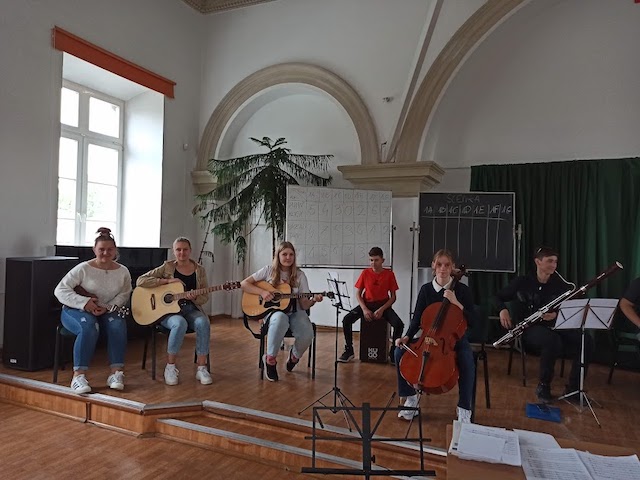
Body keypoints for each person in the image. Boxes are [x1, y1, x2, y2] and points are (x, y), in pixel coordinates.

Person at [495, 246, 589, 403]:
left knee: (586, 341)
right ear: (538, 262)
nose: (554, 265)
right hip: (529, 328)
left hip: (555, 325)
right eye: (549, 261)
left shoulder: (560, 285)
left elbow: (569, 309)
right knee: (551, 340)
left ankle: (574, 389)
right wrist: (502, 310)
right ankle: (544, 386)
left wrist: (556, 315)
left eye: (555, 262)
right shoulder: (522, 282)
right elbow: (497, 297)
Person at [394, 249, 476, 423]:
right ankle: (411, 399)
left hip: (453, 340)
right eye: (439, 264)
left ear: (452, 267)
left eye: (447, 265)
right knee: (399, 352)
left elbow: (473, 320)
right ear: (433, 266)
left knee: (467, 360)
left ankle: (464, 408)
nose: (443, 268)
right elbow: (417, 319)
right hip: (428, 338)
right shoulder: (426, 290)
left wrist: (456, 303)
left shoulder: (462, 290)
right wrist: (407, 337)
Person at [54, 227, 131, 394]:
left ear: (115, 250)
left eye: (109, 249)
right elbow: (60, 290)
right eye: (101, 249)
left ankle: (116, 373)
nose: (105, 253)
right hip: (75, 310)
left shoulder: (123, 271)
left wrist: (107, 307)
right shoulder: (83, 268)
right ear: (94, 249)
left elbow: (125, 293)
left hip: (105, 310)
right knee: (89, 326)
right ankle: (78, 376)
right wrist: (85, 303)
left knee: (118, 324)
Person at [241, 241, 323, 382]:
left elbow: (304, 305)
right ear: (278, 255)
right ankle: (270, 360)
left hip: (296, 312)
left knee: (307, 333)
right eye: (284, 254)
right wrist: (262, 292)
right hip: (273, 313)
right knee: (280, 319)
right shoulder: (268, 270)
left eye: (291, 254)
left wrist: (314, 300)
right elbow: (244, 284)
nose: (288, 257)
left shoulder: (300, 275)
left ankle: (294, 357)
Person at [136, 237, 213, 386]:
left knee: (203, 322)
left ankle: (202, 368)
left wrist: (195, 297)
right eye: (178, 249)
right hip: (167, 312)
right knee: (179, 323)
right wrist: (166, 281)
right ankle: (170, 367)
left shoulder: (199, 270)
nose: (182, 253)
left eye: (185, 249)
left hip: (190, 308)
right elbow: (141, 280)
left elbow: (205, 297)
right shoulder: (167, 267)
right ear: (174, 251)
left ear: (190, 251)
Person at [338, 247, 404, 364]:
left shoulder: (389, 274)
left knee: (399, 324)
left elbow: (393, 297)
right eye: (371, 260)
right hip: (367, 304)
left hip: (383, 305)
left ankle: (393, 352)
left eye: (376, 260)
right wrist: (364, 309)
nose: (373, 263)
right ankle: (349, 350)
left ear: (382, 260)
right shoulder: (365, 273)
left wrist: (382, 309)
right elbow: (358, 294)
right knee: (346, 320)